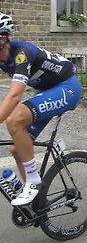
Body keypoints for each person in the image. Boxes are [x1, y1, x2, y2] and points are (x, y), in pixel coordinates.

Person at [0, 13, 82, 205]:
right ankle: (38, 199)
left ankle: (34, 182)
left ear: (4, 37)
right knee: (17, 148)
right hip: (47, 90)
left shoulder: (22, 53)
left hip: (67, 87)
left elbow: (14, 96)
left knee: (14, 120)